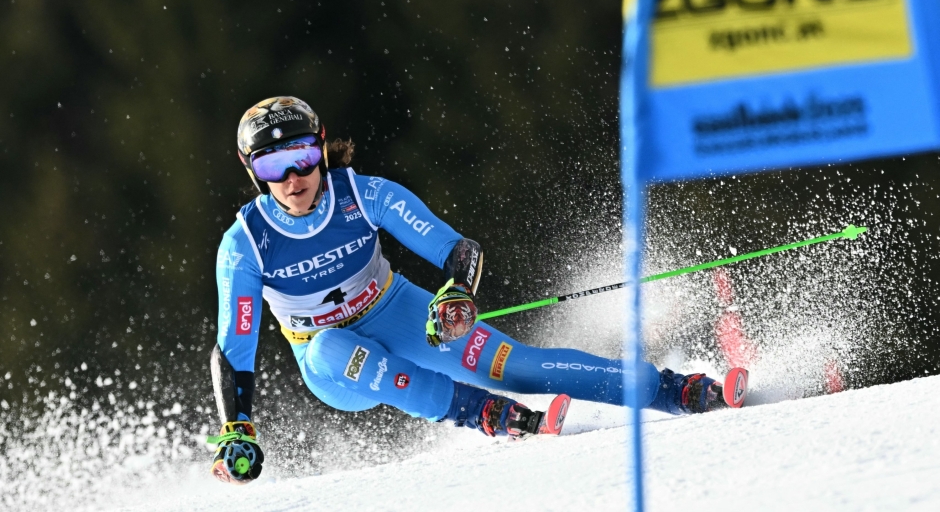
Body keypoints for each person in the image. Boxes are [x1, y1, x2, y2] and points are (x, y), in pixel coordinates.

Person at [208, 96, 729, 484]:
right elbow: (237, 346)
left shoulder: (363, 195)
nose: (293, 177)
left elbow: (456, 249)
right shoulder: (246, 245)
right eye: (272, 166)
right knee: (329, 346)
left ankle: (667, 389)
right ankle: (478, 411)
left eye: (301, 156)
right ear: (252, 172)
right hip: (331, 365)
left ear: (320, 148)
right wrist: (238, 426)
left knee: (521, 367)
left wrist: (456, 292)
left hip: (400, 313)